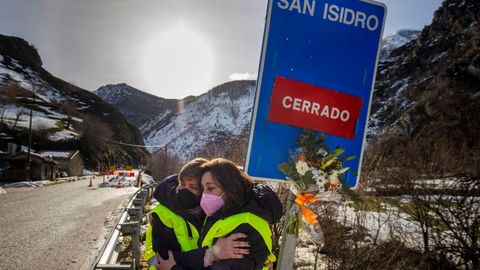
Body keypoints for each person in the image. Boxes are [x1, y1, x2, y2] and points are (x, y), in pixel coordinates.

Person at [159, 158, 283, 270]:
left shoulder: (246, 227)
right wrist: (212, 254)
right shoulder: (225, 214)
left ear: (230, 188)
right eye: (203, 189)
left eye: (210, 188)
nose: (204, 195)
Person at [144, 158, 250, 270]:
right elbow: (164, 260)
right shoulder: (163, 214)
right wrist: (212, 254)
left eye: (193, 187)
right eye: (182, 183)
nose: (184, 190)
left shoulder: (212, 211)